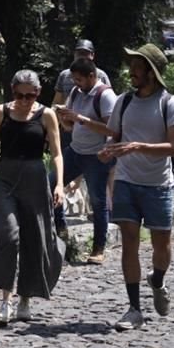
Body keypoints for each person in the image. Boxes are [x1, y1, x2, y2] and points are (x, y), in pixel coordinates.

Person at [98, 44, 174, 331]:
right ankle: (133, 309)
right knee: (129, 243)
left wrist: (140, 146)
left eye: (137, 66)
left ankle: (157, 279)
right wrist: (108, 151)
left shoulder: (170, 103)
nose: (131, 71)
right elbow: (115, 137)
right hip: (125, 181)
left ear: (151, 72)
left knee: (162, 245)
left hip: (158, 185)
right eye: (132, 66)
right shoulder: (124, 102)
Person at [0, 70, 65, 325]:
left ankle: (25, 298)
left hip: (35, 178)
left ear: (37, 94)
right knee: (9, 235)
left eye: (30, 95)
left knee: (34, 239)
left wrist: (58, 184)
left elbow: (57, 153)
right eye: (19, 95)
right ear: (12, 92)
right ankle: (5, 300)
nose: (24, 100)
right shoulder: (1, 112)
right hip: (5, 178)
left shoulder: (46, 115)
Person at [52, 57, 118, 264]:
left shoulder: (105, 95)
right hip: (75, 151)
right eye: (74, 80)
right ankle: (60, 231)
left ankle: (99, 247)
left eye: (79, 79)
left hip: (97, 156)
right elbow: (71, 127)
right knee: (51, 185)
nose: (76, 84)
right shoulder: (75, 92)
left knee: (98, 202)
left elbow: (112, 129)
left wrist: (80, 118)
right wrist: (64, 116)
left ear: (92, 76)